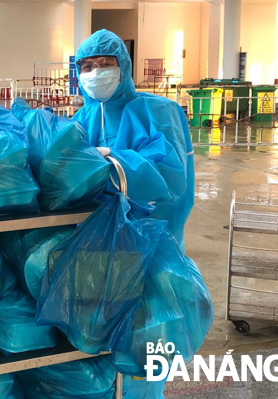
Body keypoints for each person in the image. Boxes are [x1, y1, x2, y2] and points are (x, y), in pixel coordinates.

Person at [72, 29, 194, 251]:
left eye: (105, 64)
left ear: (124, 67)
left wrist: (111, 161)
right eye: (87, 67)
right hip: (94, 237)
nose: (95, 72)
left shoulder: (159, 112)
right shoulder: (79, 121)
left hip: (153, 236)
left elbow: (170, 177)